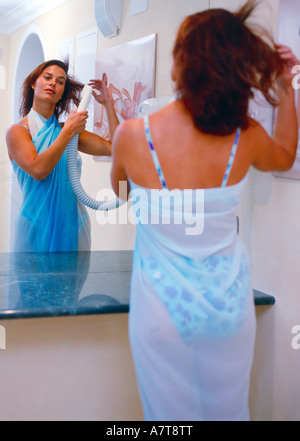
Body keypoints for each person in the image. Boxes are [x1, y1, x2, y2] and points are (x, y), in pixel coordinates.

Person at [110, 1, 299, 421]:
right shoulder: (243, 137)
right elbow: (286, 156)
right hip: (228, 315)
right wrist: (286, 89)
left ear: (181, 61)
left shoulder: (131, 136)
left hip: (161, 318)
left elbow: (121, 193)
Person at [6, 59, 119, 252]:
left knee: (71, 283)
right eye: (47, 77)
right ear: (34, 83)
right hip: (34, 228)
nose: (53, 83)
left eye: (60, 82)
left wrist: (108, 104)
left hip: (74, 228)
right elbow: (38, 170)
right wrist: (68, 131)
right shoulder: (18, 132)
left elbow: (116, 147)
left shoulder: (68, 131)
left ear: (62, 93)